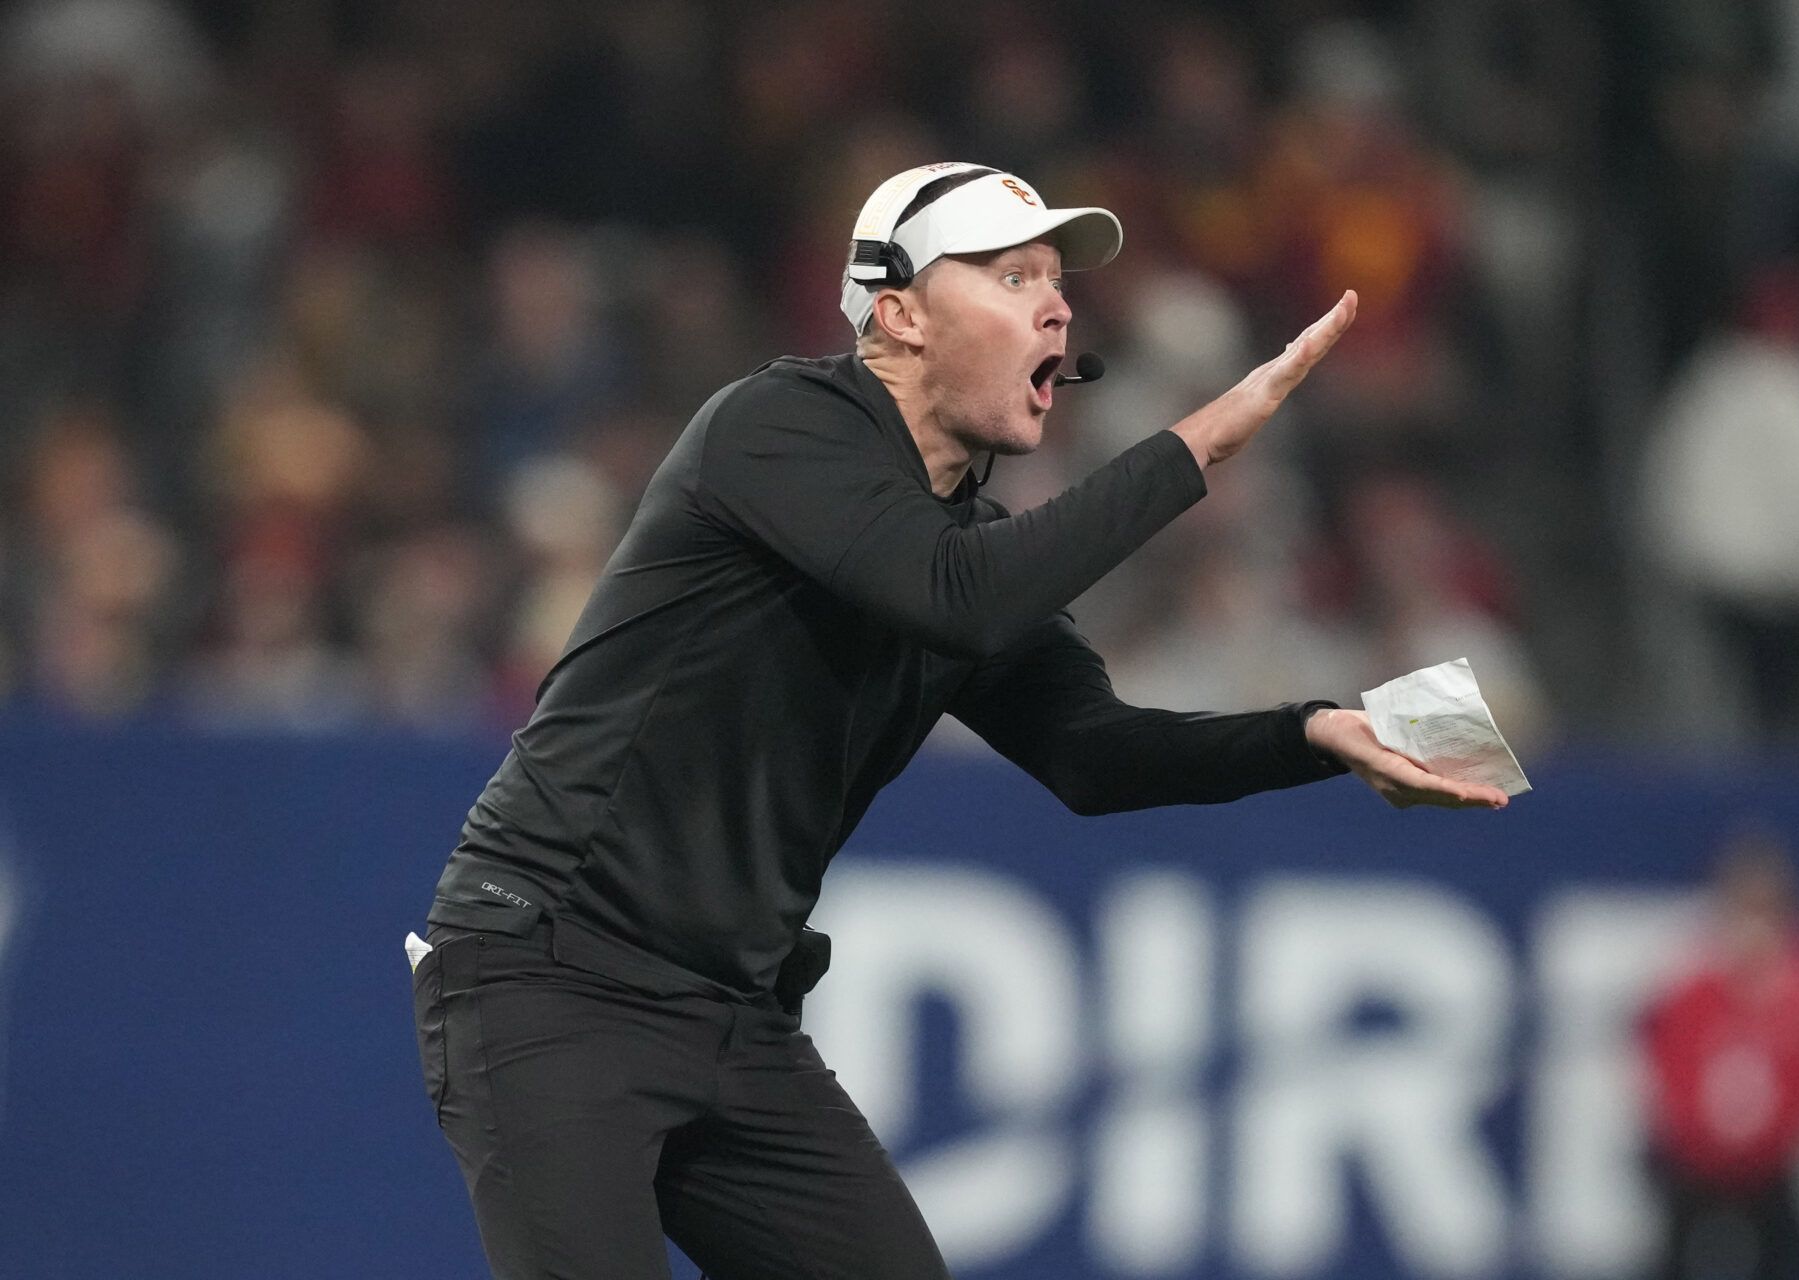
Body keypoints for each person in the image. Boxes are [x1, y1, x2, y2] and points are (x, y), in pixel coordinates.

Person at [408, 162, 1509, 1280]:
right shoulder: (776, 426)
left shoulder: (963, 546)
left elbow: (1092, 753)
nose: (1058, 302)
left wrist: (1312, 731)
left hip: (732, 1009)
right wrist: (1199, 447)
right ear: (898, 313)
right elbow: (959, 595)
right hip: (551, 972)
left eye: (1059, 283)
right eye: (1012, 272)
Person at [1639, 831, 1799, 1280]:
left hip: (1774, 1172)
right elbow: (1665, 1064)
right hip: (1693, 1167)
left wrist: (1782, 1137)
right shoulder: (1693, 988)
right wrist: (1693, 1133)